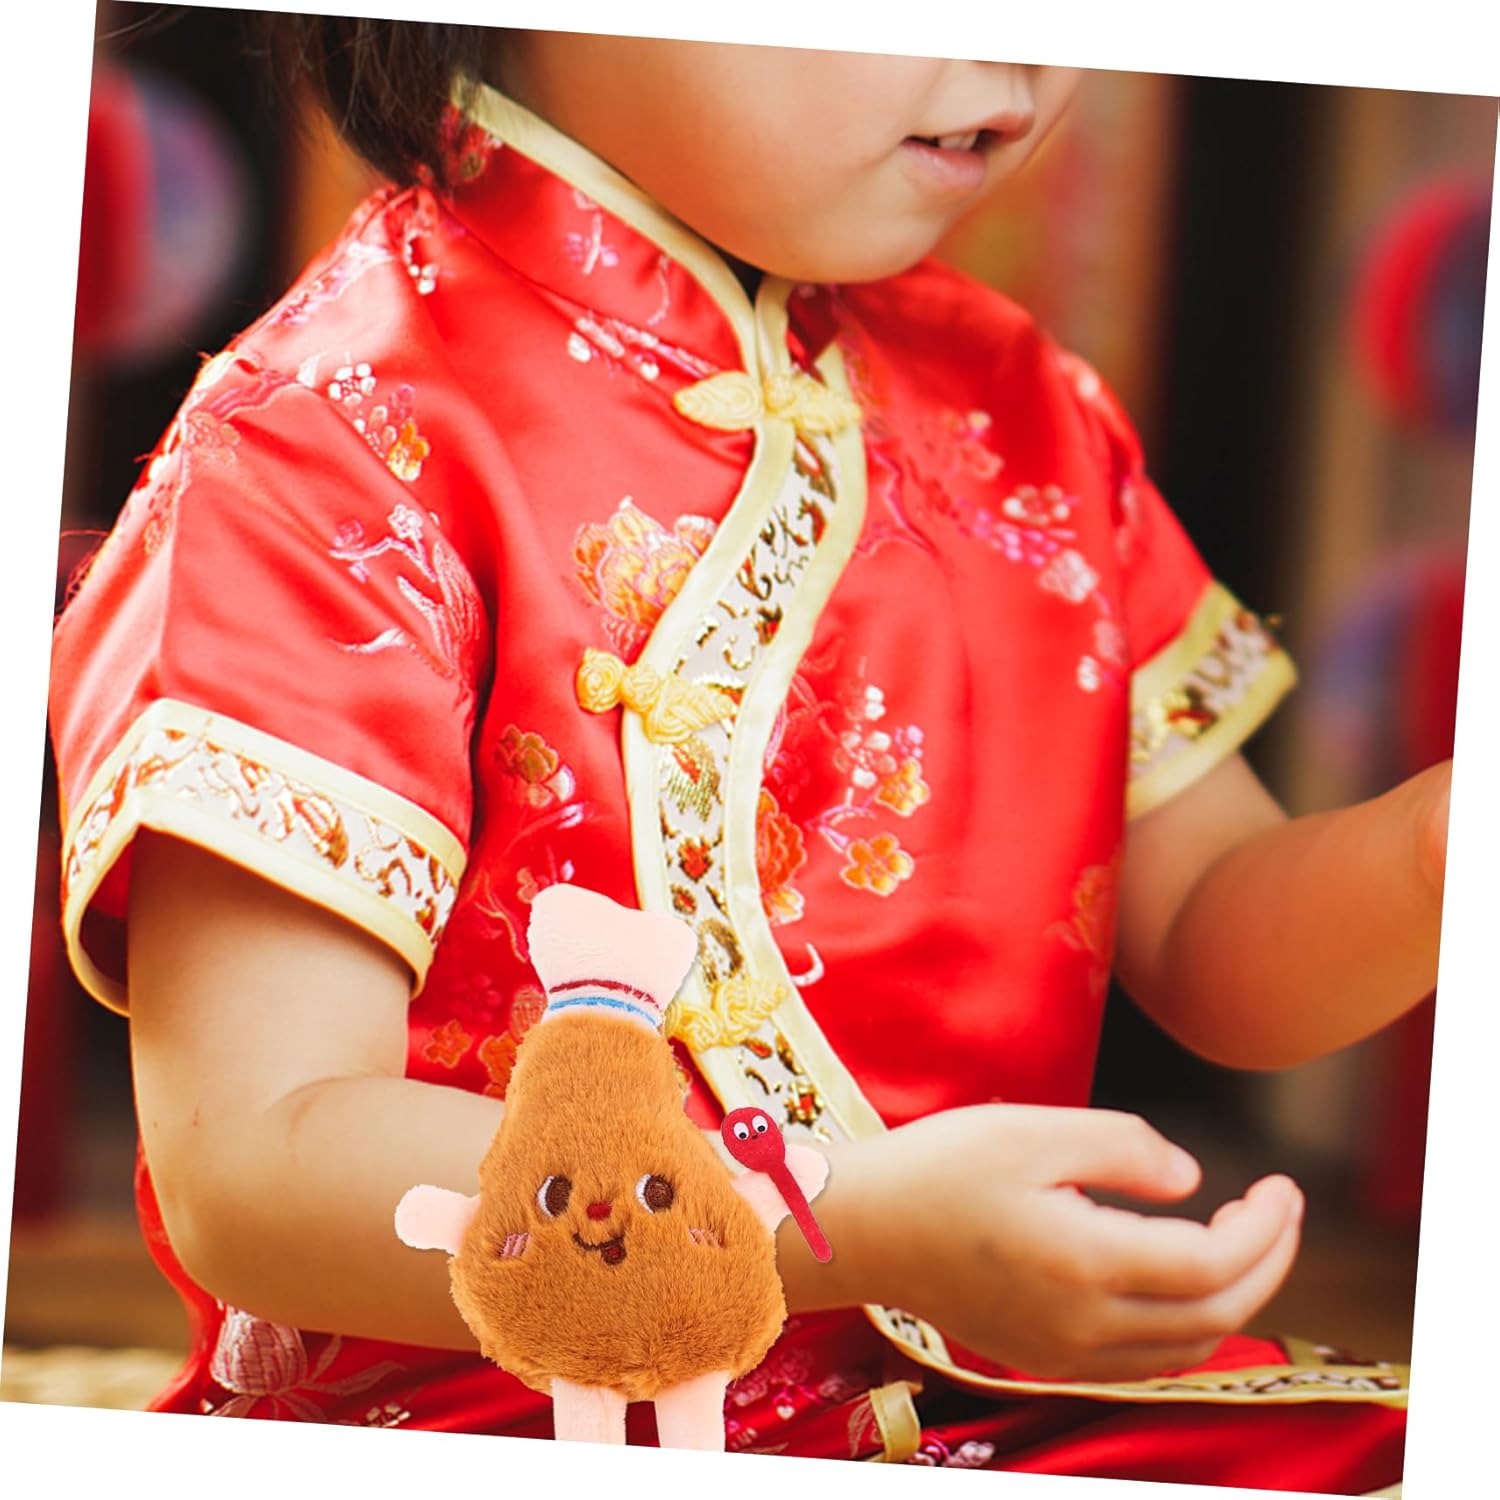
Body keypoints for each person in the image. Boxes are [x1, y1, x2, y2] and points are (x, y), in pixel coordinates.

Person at [48, 20, 1446, 1491]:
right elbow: (254, 1168)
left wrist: (1430, 851)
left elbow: (1214, 926)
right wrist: (849, 1227)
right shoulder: (323, 443)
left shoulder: (1023, 405)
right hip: (503, 1425)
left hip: (995, 1396)